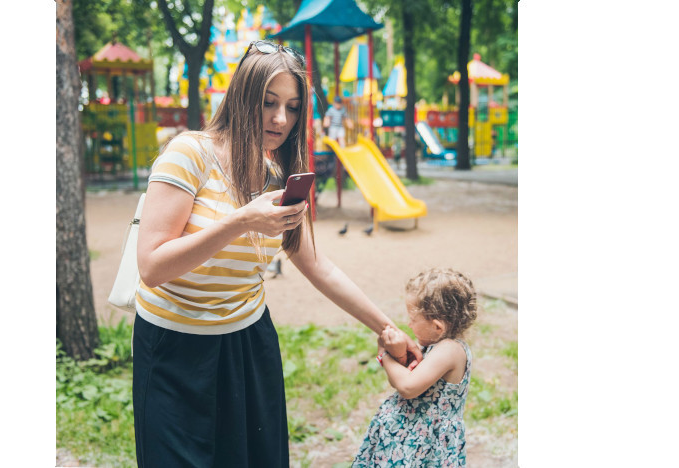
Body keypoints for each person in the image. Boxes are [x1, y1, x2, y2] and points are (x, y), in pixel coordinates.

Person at [132, 40, 423, 468]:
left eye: (291, 107)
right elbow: (152, 265)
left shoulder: (277, 174)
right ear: (242, 95)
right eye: (269, 103)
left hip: (246, 344)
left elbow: (316, 264)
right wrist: (240, 221)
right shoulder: (188, 153)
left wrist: (387, 329)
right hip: (174, 347)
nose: (280, 119)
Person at [352, 268, 478, 467]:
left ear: (437, 327)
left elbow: (407, 387)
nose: (408, 324)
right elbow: (399, 378)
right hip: (409, 439)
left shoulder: (449, 350)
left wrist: (385, 355)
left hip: (425, 445)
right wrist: (396, 355)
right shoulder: (431, 346)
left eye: (413, 318)